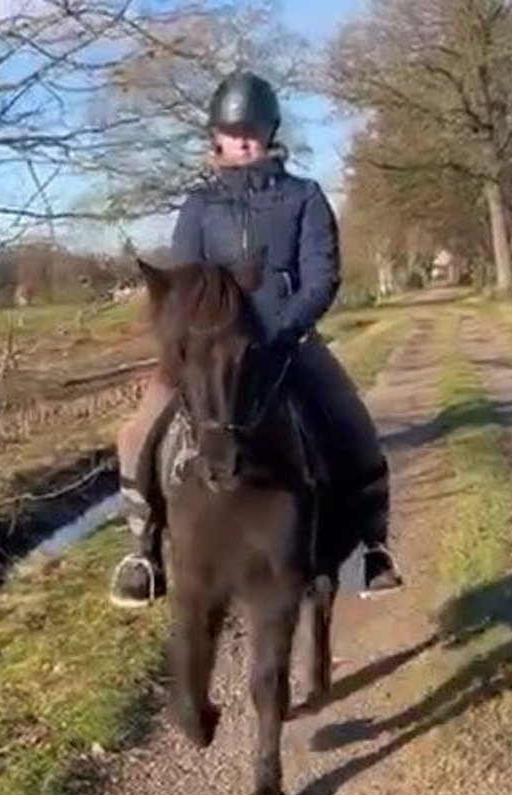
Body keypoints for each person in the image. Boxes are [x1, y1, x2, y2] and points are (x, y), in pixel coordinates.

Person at [109, 70, 402, 608]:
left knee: (350, 418)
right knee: (138, 430)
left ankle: (369, 545)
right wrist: (196, 340)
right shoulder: (199, 207)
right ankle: (143, 551)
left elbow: (321, 277)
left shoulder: (304, 197)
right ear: (216, 136)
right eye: (233, 131)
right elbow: (187, 283)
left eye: (254, 130)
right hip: (212, 353)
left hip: (286, 340)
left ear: (269, 134)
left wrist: (285, 332)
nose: (243, 140)